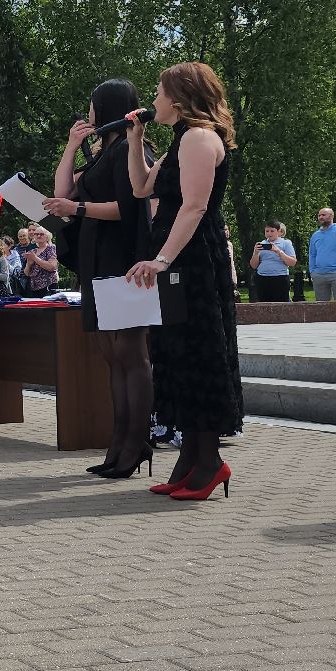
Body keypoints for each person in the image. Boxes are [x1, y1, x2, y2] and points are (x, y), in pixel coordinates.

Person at [123, 62, 244, 502]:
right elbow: (140, 189)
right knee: (178, 355)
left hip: (193, 261)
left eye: (158, 91)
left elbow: (193, 207)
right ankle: (192, 457)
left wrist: (160, 259)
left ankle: (209, 460)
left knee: (199, 354)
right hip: (178, 258)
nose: (153, 100)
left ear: (179, 96)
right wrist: (135, 141)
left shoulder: (198, 138)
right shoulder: (179, 141)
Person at [41, 77, 158, 478]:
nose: (87, 111)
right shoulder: (103, 150)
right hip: (98, 261)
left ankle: (135, 442)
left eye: (91, 104)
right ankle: (120, 442)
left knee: (130, 353)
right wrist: (72, 147)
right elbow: (64, 193)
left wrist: (78, 210)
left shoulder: (130, 148)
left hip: (123, 260)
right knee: (112, 357)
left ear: (105, 106)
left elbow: (127, 207)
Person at [248, 221, 297, 302]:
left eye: (272, 231)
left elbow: (292, 262)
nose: (269, 233)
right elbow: (253, 265)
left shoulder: (286, 243)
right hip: (262, 278)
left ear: (278, 231)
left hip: (280, 278)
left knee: (281, 305)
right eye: (267, 231)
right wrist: (255, 253)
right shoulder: (262, 244)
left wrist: (278, 251)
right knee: (264, 305)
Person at [23, 227, 60, 295]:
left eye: (41, 234)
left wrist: (35, 258)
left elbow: (52, 267)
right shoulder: (33, 251)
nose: (38, 236)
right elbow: (26, 273)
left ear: (47, 236)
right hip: (33, 288)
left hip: (48, 287)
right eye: (36, 234)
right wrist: (29, 264)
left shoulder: (51, 248)